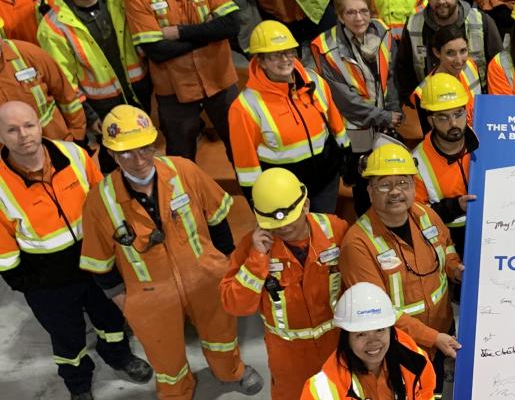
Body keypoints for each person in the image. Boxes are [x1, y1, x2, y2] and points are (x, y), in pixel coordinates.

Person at [79, 104, 264, 400]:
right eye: (125, 153)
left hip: (205, 277)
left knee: (222, 335)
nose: (138, 160)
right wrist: (123, 299)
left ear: (154, 145)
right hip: (148, 295)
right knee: (164, 354)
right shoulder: (100, 201)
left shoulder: (184, 171)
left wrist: (226, 264)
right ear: (111, 154)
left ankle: (231, 371)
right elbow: (100, 262)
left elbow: (217, 219)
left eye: (144, 149)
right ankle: (176, 391)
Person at [0, 101, 151, 400]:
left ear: (40, 123)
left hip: (95, 262)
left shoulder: (74, 155)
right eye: (12, 130)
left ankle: (119, 356)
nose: (24, 135)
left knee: (110, 318)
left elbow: (104, 201)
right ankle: (78, 384)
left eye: (29, 125)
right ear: (1, 136)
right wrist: (24, 281)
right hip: (46, 280)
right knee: (66, 337)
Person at [220, 168, 349, 400]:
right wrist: (257, 260)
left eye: (292, 219)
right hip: (288, 356)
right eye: (275, 223)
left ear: (306, 205)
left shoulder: (336, 230)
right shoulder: (252, 247)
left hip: (337, 345)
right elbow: (234, 305)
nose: (285, 228)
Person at [339, 143, 463, 382]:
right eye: (384, 185)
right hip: (398, 346)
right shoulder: (357, 244)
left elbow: (446, 245)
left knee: (435, 390)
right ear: (370, 190)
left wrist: (454, 268)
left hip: (443, 331)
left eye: (403, 183)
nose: (395, 192)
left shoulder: (425, 214)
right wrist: (431, 337)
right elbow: (375, 312)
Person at [38, 0, 151, 172]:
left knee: (142, 145)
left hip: (138, 89)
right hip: (102, 103)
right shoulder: (54, 27)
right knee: (114, 156)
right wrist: (89, 117)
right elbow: (64, 82)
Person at [124, 0, 240, 160]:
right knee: (180, 157)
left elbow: (232, 25)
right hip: (174, 90)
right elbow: (156, 51)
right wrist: (208, 33)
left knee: (241, 148)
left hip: (220, 80)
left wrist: (179, 32)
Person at [229, 20, 351, 214]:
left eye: (289, 52)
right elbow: (246, 167)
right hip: (285, 192)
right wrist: (258, 203)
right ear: (260, 61)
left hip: (326, 181)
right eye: (276, 55)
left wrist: (345, 158)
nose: (286, 59)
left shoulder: (315, 81)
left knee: (324, 231)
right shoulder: (245, 107)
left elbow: (336, 123)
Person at [311, 0, 401, 215]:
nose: (359, 18)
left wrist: (392, 110)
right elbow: (345, 101)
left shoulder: (382, 31)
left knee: (388, 177)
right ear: (340, 16)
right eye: (351, 13)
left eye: (363, 11)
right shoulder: (325, 47)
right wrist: (385, 116)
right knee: (363, 187)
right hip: (355, 131)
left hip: (384, 125)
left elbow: (391, 75)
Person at [299, 283, 436, 400]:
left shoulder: (417, 362)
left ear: (390, 330)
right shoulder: (321, 391)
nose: (373, 342)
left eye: (380, 330)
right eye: (361, 334)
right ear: (347, 339)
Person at [412, 73, 477, 306]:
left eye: (458, 114)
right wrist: (455, 206)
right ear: (430, 119)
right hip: (449, 245)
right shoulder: (417, 161)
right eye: (443, 117)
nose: (453, 124)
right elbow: (417, 218)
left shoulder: (486, 141)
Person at [397, 0, 502, 101]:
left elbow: (498, 69)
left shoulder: (482, 22)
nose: (441, 1)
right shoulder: (413, 25)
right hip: (430, 107)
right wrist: (413, 105)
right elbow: (404, 72)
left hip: (475, 105)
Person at [0, 20, 87, 143]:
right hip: (10, 158)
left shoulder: (29, 54)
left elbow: (66, 95)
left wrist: (77, 135)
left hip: (57, 145)